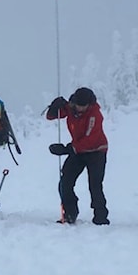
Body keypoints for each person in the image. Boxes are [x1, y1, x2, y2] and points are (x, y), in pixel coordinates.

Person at [45, 87, 110, 225]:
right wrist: (54, 107)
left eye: (83, 106)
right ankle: (70, 213)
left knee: (95, 185)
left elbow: (90, 139)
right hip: (78, 151)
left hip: (97, 151)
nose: (80, 109)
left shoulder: (95, 115)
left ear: (89, 104)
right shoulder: (71, 108)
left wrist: (67, 149)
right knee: (65, 182)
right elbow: (51, 116)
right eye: (78, 105)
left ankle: (101, 217)